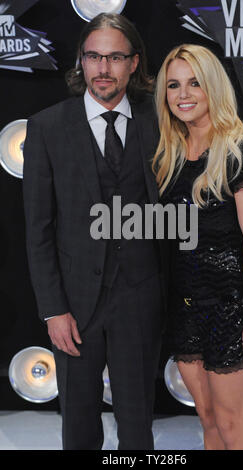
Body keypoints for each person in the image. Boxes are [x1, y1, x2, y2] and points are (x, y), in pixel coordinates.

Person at [23, 13, 166, 450]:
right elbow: (38, 228)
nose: (103, 68)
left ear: (134, 63)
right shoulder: (47, 127)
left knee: (138, 428)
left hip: (140, 300)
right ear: (81, 62)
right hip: (74, 305)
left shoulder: (161, 120)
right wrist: (53, 310)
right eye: (93, 57)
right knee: (80, 428)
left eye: (115, 57)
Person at [152, 44, 243, 450]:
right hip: (185, 308)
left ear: (213, 88)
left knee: (234, 425)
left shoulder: (242, 150)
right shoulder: (167, 154)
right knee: (207, 420)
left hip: (231, 306)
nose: (183, 94)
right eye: (173, 85)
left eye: (194, 83)